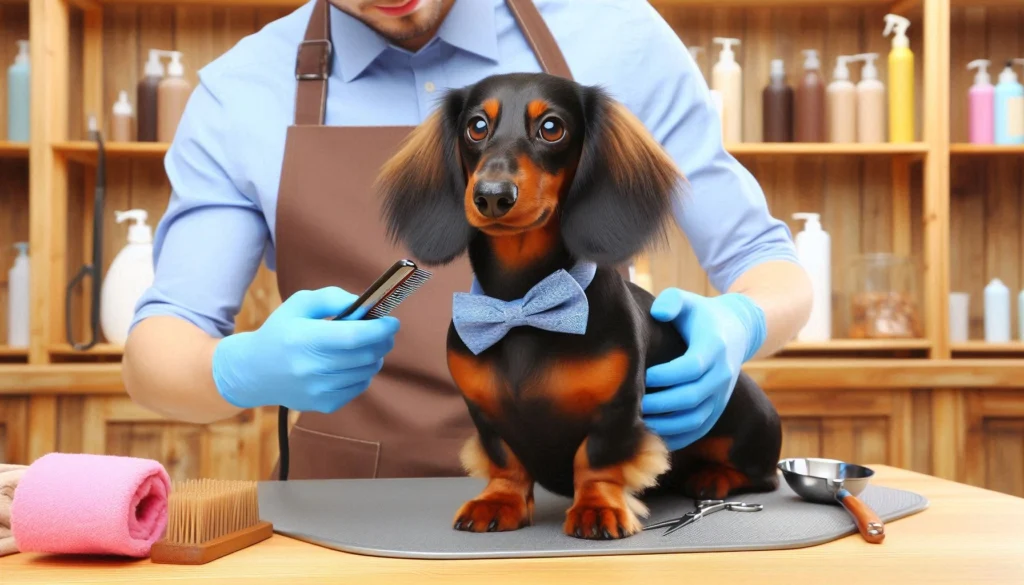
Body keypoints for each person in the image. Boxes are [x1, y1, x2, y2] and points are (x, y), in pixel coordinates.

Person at [122, 0, 812, 480]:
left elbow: (769, 265)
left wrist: (739, 321)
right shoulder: (241, 93)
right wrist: (235, 368)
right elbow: (158, 347)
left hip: (574, 509)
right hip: (346, 521)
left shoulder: (616, 36)